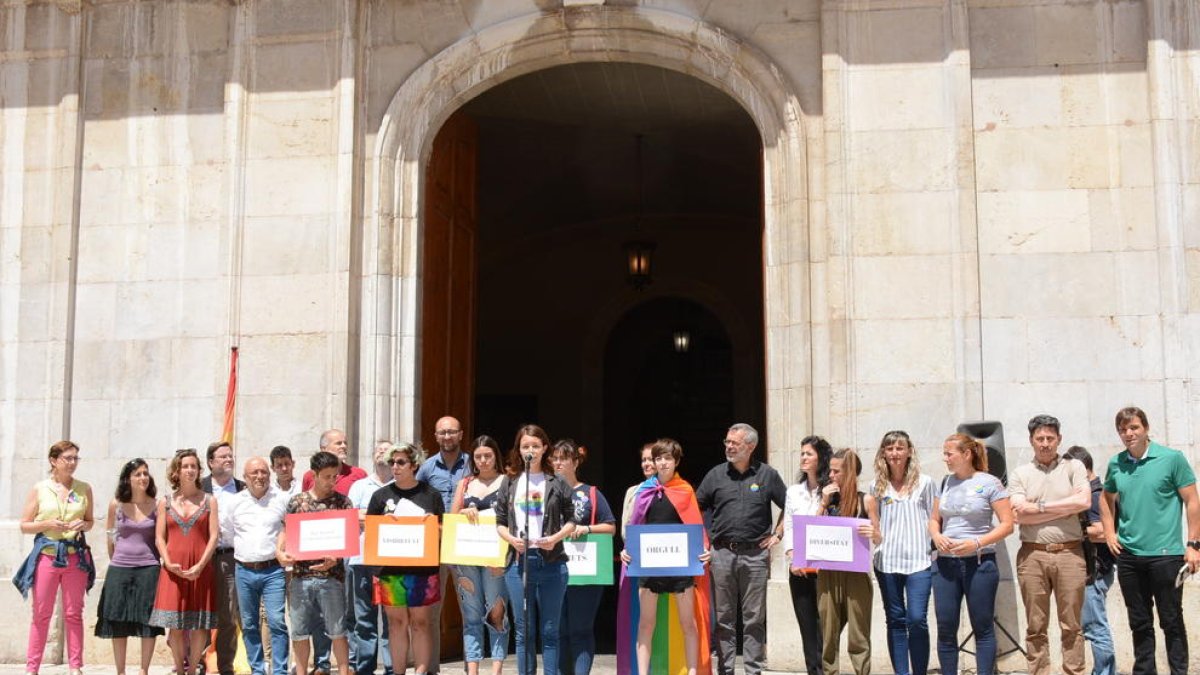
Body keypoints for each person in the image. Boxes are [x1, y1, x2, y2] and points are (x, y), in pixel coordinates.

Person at [1100, 407, 1200, 675]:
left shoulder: (1171, 459)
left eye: (1133, 427)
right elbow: (1105, 498)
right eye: (1123, 429)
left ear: (1145, 428)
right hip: (1130, 556)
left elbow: (1192, 501)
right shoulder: (1116, 463)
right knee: (1139, 622)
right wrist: (1109, 533)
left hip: (1166, 555)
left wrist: (1193, 545)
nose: (1128, 433)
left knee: (1171, 620)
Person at [694, 422, 787, 675]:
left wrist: (778, 534)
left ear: (751, 446)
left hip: (756, 555)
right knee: (723, 619)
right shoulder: (715, 475)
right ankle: (725, 670)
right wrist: (703, 541)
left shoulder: (767, 475)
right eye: (727, 442)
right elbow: (694, 508)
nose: (729, 447)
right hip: (722, 554)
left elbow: (792, 506)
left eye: (734, 443)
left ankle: (752, 671)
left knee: (754, 619)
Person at [617, 437, 712, 675]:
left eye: (667, 458)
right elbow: (634, 527)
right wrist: (627, 550)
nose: (662, 463)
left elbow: (697, 528)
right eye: (658, 458)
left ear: (677, 461)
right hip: (649, 568)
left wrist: (704, 550)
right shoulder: (645, 491)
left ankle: (692, 672)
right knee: (646, 624)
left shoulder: (685, 490)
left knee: (688, 623)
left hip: (681, 569)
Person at [1008, 415, 1091, 675]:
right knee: (1035, 626)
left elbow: (1084, 503)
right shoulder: (1021, 473)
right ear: (1031, 440)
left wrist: (1039, 507)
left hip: (1070, 553)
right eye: (1039, 439)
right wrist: (1064, 507)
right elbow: (1018, 514)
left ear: (1059, 440)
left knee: (1072, 625)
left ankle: (1073, 672)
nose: (1045, 444)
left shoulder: (1073, 467)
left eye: (1050, 438)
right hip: (1033, 556)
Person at [495, 424, 578, 675]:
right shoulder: (510, 482)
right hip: (520, 562)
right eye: (525, 446)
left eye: (535, 445)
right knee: (524, 631)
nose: (530, 450)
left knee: (550, 631)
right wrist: (511, 538)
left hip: (551, 561)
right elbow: (499, 521)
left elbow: (572, 520)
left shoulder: (557, 482)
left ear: (544, 448)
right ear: (519, 450)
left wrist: (556, 537)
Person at [929, 433, 1014, 675]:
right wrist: (937, 536)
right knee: (946, 627)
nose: (945, 458)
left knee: (983, 627)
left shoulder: (990, 483)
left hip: (979, 564)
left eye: (949, 453)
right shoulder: (944, 483)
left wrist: (976, 544)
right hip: (945, 566)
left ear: (966, 454)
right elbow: (934, 520)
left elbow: (1007, 524)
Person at [17, 440, 96, 675]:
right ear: (54, 461)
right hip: (47, 557)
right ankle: (32, 668)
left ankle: (75, 666)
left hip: (75, 558)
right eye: (68, 458)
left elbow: (91, 521)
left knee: (74, 613)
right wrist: (47, 523)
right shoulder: (40, 488)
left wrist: (84, 524)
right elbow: (24, 525)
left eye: (75, 459)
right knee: (41, 614)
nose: (72, 463)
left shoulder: (84, 488)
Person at [367, 443, 446, 675]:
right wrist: (385, 523)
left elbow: (443, 530)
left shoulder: (430, 495)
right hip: (390, 570)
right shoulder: (380, 496)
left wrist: (432, 524)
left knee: (420, 623)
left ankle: (420, 672)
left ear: (414, 465)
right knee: (396, 623)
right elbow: (370, 532)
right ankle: (398, 672)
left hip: (422, 569)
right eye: (392, 462)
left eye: (401, 462)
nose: (395, 467)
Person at [279, 451, 355, 675]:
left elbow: (349, 539)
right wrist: (279, 551)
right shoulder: (298, 502)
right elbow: (285, 530)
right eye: (327, 476)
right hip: (300, 576)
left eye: (335, 476)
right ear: (315, 475)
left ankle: (343, 672)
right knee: (300, 632)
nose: (332, 481)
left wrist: (336, 557)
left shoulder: (343, 502)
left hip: (332, 578)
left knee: (337, 630)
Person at [300, 430, 366, 675]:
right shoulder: (308, 476)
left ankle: (348, 664)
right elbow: (303, 513)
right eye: (338, 442)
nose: (344, 446)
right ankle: (322, 662)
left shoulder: (358, 474)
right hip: (315, 553)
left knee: (346, 610)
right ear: (324, 447)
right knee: (318, 613)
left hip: (345, 551)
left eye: (345, 442)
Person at [150, 448, 220, 675]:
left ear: (199, 470)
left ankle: (193, 671)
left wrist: (200, 565)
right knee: (176, 625)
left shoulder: (210, 501)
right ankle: (180, 670)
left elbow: (214, 536)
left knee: (200, 624)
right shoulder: (166, 502)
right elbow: (159, 537)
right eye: (185, 466)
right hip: (173, 569)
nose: (189, 470)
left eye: (193, 466)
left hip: (201, 569)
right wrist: (168, 563)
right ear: (177, 471)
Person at [871, 431, 936, 675]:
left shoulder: (925, 483)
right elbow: (876, 527)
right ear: (883, 454)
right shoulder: (875, 486)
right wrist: (871, 536)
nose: (895, 453)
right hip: (887, 562)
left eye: (900, 448)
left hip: (919, 562)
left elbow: (934, 519)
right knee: (896, 621)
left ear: (909, 451)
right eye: (890, 449)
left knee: (917, 619)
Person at [552, 439, 617, 675]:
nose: (558, 463)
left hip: (585, 569)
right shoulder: (545, 491)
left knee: (580, 629)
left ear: (576, 462)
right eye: (555, 458)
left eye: (563, 458)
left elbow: (610, 527)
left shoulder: (590, 493)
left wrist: (587, 529)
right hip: (552, 568)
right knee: (557, 630)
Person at [96, 458, 164, 675]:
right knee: (117, 620)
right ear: (128, 478)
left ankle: (143, 670)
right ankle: (120, 671)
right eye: (137, 474)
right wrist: (117, 561)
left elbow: (161, 537)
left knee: (148, 622)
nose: (142, 478)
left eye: (145, 473)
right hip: (120, 569)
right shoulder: (115, 504)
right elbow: (110, 536)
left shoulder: (157, 504)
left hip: (149, 568)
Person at [224, 457, 290, 675]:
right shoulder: (235, 502)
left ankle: (279, 670)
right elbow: (228, 534)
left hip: (273, 571)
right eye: (254, 473)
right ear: (245, 477)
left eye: (263, 472)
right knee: (249, 623)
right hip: (244, 570)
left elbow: (289, 529)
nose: (260, 477)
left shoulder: (281, 499)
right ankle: (258, 670)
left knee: (277, 622)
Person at [815, 448, 879, 675]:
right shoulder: (828, 498)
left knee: (858, 633)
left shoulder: (866, 500)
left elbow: (879, 537)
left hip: (856, 572)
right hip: (828, 572)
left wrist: (871, 533)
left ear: (849, 472)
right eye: (830, 470)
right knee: (828, 631)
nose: (830, 475)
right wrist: (823, 503)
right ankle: (830, 671)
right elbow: (813, 532)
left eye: (835, 471)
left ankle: (862, 671)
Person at [415, 416, 471, 675]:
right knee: (431, 610)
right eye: (442, 433)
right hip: (435, 545)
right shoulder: (426, 468)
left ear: (460, 435)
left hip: (466, 544)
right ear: (436, 437)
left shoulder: (474, 464)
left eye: (452, 432)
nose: (447, 437)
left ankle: (472, 668)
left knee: (469, 608)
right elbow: (415, 502)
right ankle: (431, 669)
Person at [450, 436, 509, 675]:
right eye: (478, 457)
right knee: (471, 614)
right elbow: (452, 519)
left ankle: (496, 669)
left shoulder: (507, 482)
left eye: (488, 456)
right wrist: (464, 510)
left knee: (497, 612)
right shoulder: (465, 484)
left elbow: (515, 520)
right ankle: (472, 669)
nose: (483, 461)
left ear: (496, 456)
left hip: (496, 556)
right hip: (467, 557)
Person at [1062, 445, 1116, 675]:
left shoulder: (1094, 496)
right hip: (1093, 570)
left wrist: (1075, 531)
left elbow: (1104, 532)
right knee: (1091, 626)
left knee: (1095, 627)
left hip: (1094, 571)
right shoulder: (1096, 493)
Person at [346, 440, 397, 675]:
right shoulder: (359, 486)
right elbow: (351, 516)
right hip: (361, 560)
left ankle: (391, 667)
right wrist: (384, 518)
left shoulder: (401, 487)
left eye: (386, 449)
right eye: (377, 449)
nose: (381, 452)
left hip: (392, 562)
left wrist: (367, 516)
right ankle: (365, 668)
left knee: (391, 620)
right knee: (363, 619)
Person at [782, 436, 832, 675]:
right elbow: (790, 526)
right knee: (807, 626)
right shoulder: (793, 492)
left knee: (827, 626)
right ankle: (813, 671)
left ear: (820, 458)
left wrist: (825, 501)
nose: (803, 458)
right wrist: (793, 557)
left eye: (808, 454)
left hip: (826, 568)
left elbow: (827, 526)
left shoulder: (832, 490)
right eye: (802, 453)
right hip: (799, 568)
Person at [202, 441, 246, 675]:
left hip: (229, 558)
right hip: (200, 560)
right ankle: (195, 661)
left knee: (228, 615)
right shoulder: (200, 488)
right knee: (197, 612)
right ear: (211, 462)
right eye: (223, 457)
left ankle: (225, 667)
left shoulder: (242, 488)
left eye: (231, 456)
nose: (229, 460)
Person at [621, 443, 656, 539]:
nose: (646, 464)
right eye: (644, 460)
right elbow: (625, 524)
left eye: (651, 459)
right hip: (636, 544)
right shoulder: (632, 491)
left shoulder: (665, 489)